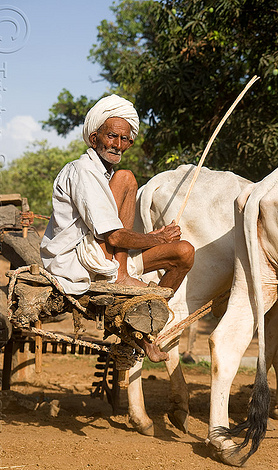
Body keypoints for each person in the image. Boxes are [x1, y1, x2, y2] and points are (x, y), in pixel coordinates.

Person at [41, 95, 194, 361]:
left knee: (184, 252)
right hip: (77, 261)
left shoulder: (107, 175)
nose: (118, 145)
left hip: (105, 258)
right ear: (94, 138)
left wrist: (156, 239)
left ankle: (148, 327)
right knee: (127, 178)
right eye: (112, 136)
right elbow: (113, 235)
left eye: (125, 139)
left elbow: (116, 236)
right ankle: (124, 283)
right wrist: (155, 239)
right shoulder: (82, 171)